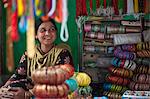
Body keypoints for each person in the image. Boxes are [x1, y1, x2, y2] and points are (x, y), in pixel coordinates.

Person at [0, 17, 74, 99]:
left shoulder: (63, 53)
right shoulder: (29, 53)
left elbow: (59, 81)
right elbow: (18, 75)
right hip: (31, 86)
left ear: (56, 33)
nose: (47, 33)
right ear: (36, 35)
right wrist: (4, 88)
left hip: (52, 89)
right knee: (10, 89)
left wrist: (27, 94)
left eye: (52, 29)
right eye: (43, 30)